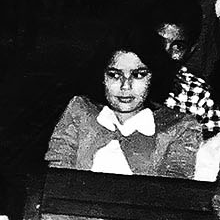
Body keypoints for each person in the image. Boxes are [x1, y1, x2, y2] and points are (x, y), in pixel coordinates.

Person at [45, 30, 203, 177]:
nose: (125, 86)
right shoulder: (80, 111)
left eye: (138, 75)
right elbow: (57, 178)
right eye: (114, 75)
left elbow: (173, 190)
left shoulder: (179, 128)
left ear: (154, 76)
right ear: (102, 77)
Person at [152, 3, 220, 136]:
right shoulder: (122, 81)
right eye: (157, 42)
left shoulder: (199, 97)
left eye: (178, 47)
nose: (165, 53)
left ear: (191, 50)